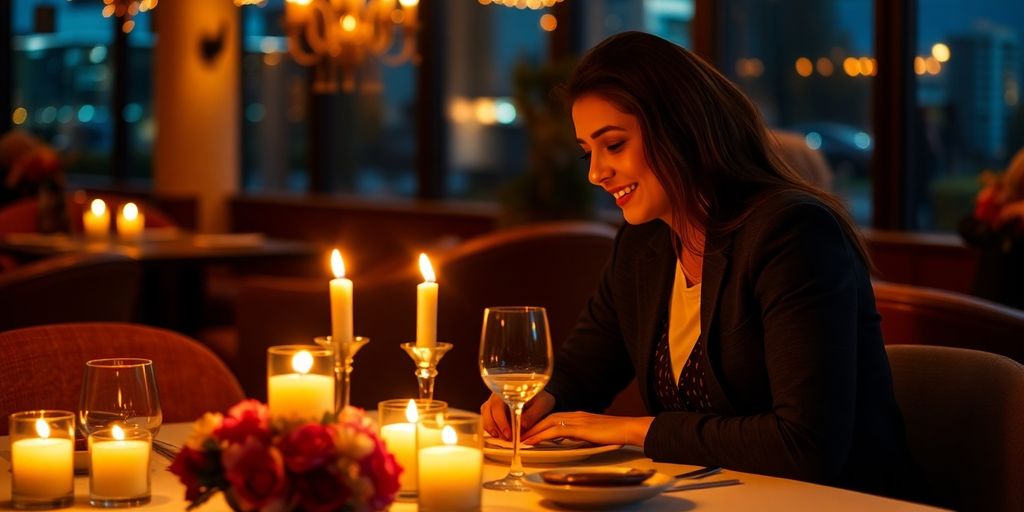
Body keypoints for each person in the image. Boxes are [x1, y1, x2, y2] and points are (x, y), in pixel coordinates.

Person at [480, 32, 914, 498]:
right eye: (589, 151)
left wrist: (631, 430)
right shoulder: (642, 242)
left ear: (679, 126)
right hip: (721, 500)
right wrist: (536, 401)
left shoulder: (793, 232)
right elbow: (583, 370)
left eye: (614, 145)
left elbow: (805, 445)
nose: (595, 173)